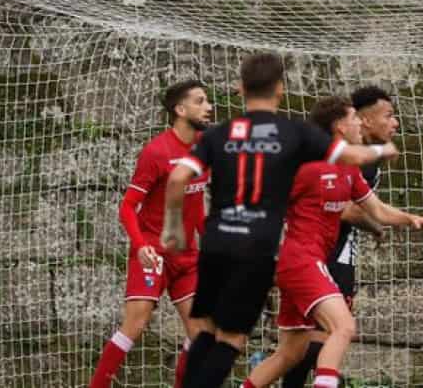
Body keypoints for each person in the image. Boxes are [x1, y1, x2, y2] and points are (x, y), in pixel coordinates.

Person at [159, 53, 399, 388]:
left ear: (241, 88)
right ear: (280, 90)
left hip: (223, 248)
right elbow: (347, 156)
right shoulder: (295, 134)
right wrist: (381, 151)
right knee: (247, 341)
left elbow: (176, 179)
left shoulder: (220, 134)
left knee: (220, 341)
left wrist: (172, 226)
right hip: (267, 249)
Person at [238, 96, 423, 388]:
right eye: (354, 119)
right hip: (300, 260)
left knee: (289, 354)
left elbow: (378, 210)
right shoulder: (306, 166)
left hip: (307, 263)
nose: (359, 122)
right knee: (343, 327)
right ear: (339, 127)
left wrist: (413, 219)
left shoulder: (349, 168)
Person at [87, 82, 212, 388]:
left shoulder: (204, 150)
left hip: (187, 256)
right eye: (200, 101)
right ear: (180, 111)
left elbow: (196, 207)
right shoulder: (156, 152)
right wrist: (140, 245)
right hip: (153, 252)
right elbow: (127, 206)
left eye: (207, 101)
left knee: (202, 333)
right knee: (136, 323)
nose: (209, 107)